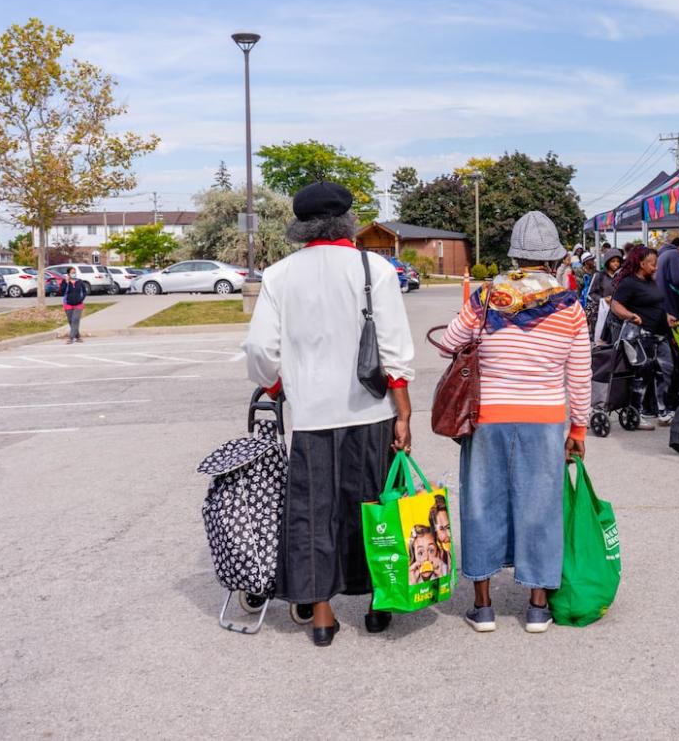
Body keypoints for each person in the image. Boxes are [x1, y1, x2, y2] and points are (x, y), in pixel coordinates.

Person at [243, 180, 415, 647]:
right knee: (374, 509)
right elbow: (394, 348)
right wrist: (403, 412)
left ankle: (321, 616)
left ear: (301, 226)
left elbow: (260, 348)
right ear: (347, 221)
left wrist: (279, 384)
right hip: (370, 410)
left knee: (314, 513)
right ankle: (381, 603)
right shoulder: (373, 268)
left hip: (312, 417)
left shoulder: (279, 274)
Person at [439, 211, 590, 635]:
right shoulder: (570, 306)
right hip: (544, 419)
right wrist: (578, 428)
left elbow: (449, 343)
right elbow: (579, 374)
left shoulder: (486, 298)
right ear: (554, 257)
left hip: (487, 417)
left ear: (515, 254)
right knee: (541, 505)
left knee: (482, 501)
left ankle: (483, 607)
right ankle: (538, 607)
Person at [609, 246, 676, 428]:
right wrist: (631, 315)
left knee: (666, 371)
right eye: (652, 264)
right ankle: (636, 414)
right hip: (641, 335)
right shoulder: (629, 282)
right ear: (641, 263)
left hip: (660, 333)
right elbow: (616, 305)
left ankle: (663, 411)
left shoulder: (649, 281)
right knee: (642, 375)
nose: (656, 268)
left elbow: (655, 303)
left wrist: (666, 316)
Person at [588, 247, 624, 343]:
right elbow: (591, 293)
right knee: (602, 339)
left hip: (617, 313)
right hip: (602, 313)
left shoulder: (622, 277)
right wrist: (602, 299)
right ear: (608, 262)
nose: (616, 263)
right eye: (613, 261)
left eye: (618, 261)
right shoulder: (599, 276)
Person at [655, 236, 679, 321]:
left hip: (663, 305)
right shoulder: (675, 254)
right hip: (671, 307)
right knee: (676, 333)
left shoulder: (664, 254)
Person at [59, 266, 89, 344]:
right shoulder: (65, 282)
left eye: (74, 272)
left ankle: (71, 338)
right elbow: (61, 292)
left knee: (75, 320)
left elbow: (84, 292)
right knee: (71, 321)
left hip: (78, 304)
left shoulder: (80, 281)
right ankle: (78, 336)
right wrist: (66, 282)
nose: (74, 274)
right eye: (72, 272)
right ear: (68, 273)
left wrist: (81, 299)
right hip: (68, 304)